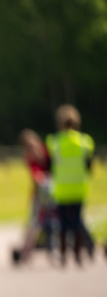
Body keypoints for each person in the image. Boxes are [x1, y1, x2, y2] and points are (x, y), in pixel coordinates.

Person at [44, 104, 95, 267]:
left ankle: (64, 255)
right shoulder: (85, 141)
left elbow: (50, 165)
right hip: (79, 187)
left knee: (63, 224)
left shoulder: (54, 141)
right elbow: (89, 166)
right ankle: (78, 255)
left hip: (61, 188)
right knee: (78, 221)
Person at [14, 129, 53, 264]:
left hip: (52, 191)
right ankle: (26, 251)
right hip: (39, 193)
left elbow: (52, 167)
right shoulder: (29, 158)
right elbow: (35, 176)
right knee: (33, 223)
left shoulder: (47, 150)